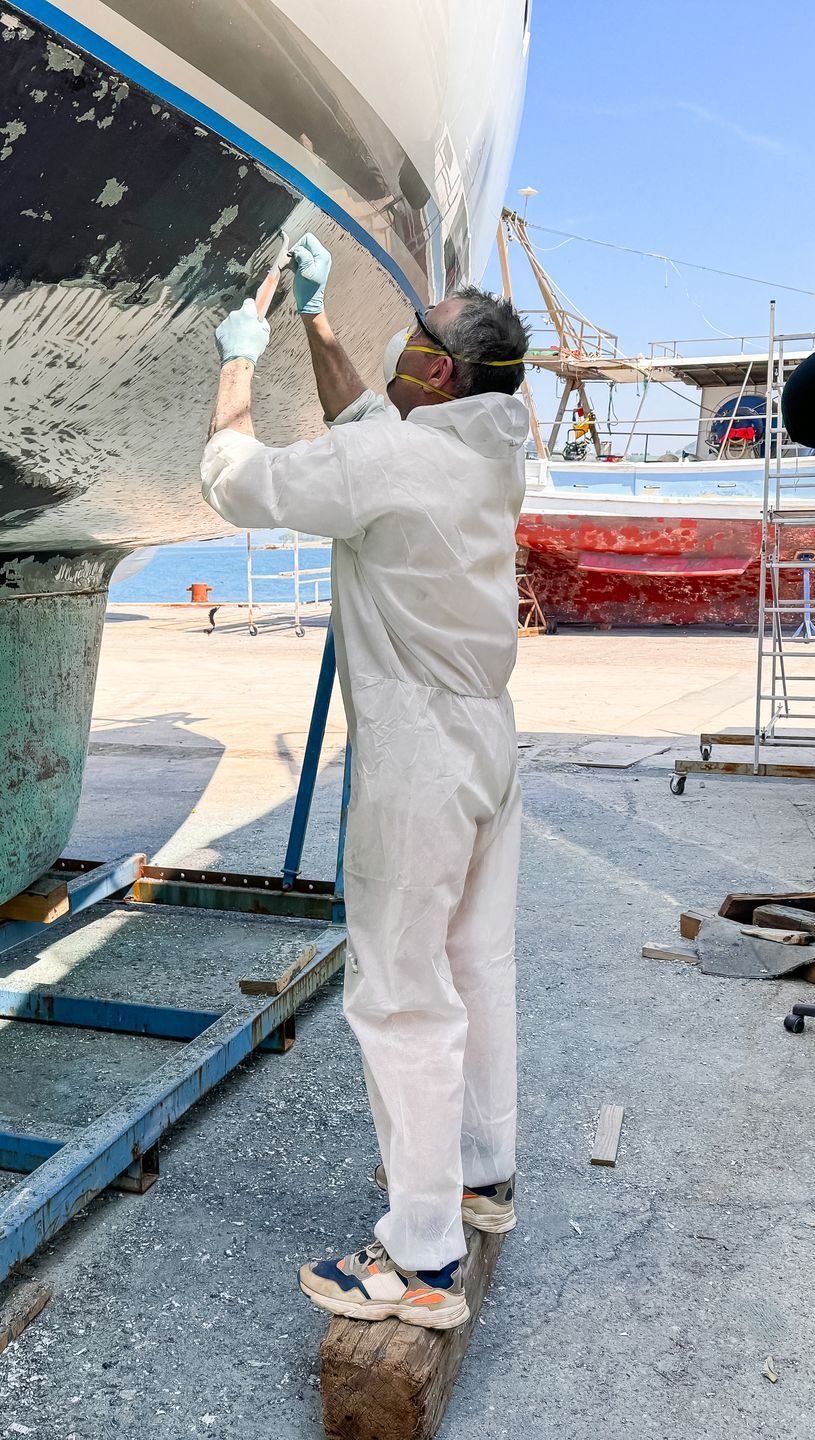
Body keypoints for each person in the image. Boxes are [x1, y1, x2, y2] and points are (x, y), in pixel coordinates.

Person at [200, 233, 529, 1329]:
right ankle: (481, 1175)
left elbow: (236, 481)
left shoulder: (399, 460)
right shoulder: (487, 443)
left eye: (418, 335)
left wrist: (236, 360)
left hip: (418, 753)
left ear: (435, 369)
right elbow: (369, 428)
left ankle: (421, 1258)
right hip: (487, 741)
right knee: (476, 962)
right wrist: (318, 321)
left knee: (398, 994)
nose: (406, 339)